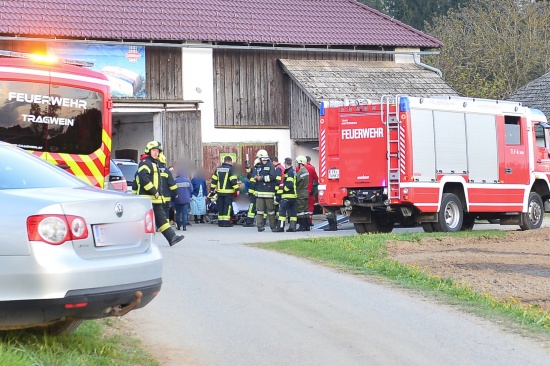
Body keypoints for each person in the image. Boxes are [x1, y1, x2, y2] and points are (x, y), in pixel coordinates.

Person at [135, 141, 184, 246]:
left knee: (161, 220)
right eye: (153, 150)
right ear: (148, 151)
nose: (156, 153)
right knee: (143, 221)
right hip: (147, 198)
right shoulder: (145, 163)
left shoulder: (154, 163)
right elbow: (144, 179)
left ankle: (172, 237)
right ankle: (137, 241)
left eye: (157, 151)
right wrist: (154, 191)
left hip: (154, 199)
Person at [210, 155, 239, 227]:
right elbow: (233, 181)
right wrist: (237, 189)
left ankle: (220, 222)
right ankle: (226, 222)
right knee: (227, 207)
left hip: (220, 192)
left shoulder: (218, 169)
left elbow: (214, 180)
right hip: (228, 192)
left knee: (221, 206)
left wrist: (212, 189)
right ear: (230, 161)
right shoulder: (231, 169)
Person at [254, 149, 277, 232]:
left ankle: (273, 226)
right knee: (259, 211)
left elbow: (273, 177)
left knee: (270, 211)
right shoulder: (259, 166)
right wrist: (256, 177)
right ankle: (259, 226)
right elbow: (255, 174)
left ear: (261, 158)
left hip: (268, 192)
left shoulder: (271, 166)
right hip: (259, 192)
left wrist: (262, 178)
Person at [274, 157, 297, 232]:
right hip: (293, 196)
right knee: (293, 212)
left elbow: (289, 184)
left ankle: (280, 227)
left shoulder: (289, 172)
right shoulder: (293, 171)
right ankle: (292, 227)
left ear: (286, 163)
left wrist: (283, 190)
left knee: (282, 212)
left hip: (287, 195)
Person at [158, 152, 177, 226]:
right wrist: (176, 193)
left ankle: (158, 226)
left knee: (158, 211)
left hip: (157, 196)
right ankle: (166, 226)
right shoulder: (167, 171)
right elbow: (172, 184)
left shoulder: (154, 170)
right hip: (166, 197)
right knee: (166, 211)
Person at [243, 158, 261, 227]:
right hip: (264, 192)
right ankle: (263, 222)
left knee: (252, 207)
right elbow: (249, 171)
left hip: (255, 192)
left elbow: (252, 182)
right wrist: (247, 166)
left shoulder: (255, 171)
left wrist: (250, 193)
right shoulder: (265, 169)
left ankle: (249, 222)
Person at [295, 155, 310, 231]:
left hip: (300, 193)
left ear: (300, 163)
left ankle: (302, 226)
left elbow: (296, 182)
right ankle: (307, 226)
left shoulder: (300, 172)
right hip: (305, 192)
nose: (296, 164)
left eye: (297, 162)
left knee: (300, 210)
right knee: (305, 210)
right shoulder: (306, 171)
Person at [305, 156, 319, 227]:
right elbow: (316, 178)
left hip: (302, 190)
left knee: (303, 206)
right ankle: (309, 221)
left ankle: (303, 222)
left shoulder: (298, 168)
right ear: (309, 161)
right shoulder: (312, 168)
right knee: (310, 206)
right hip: (310, 190)